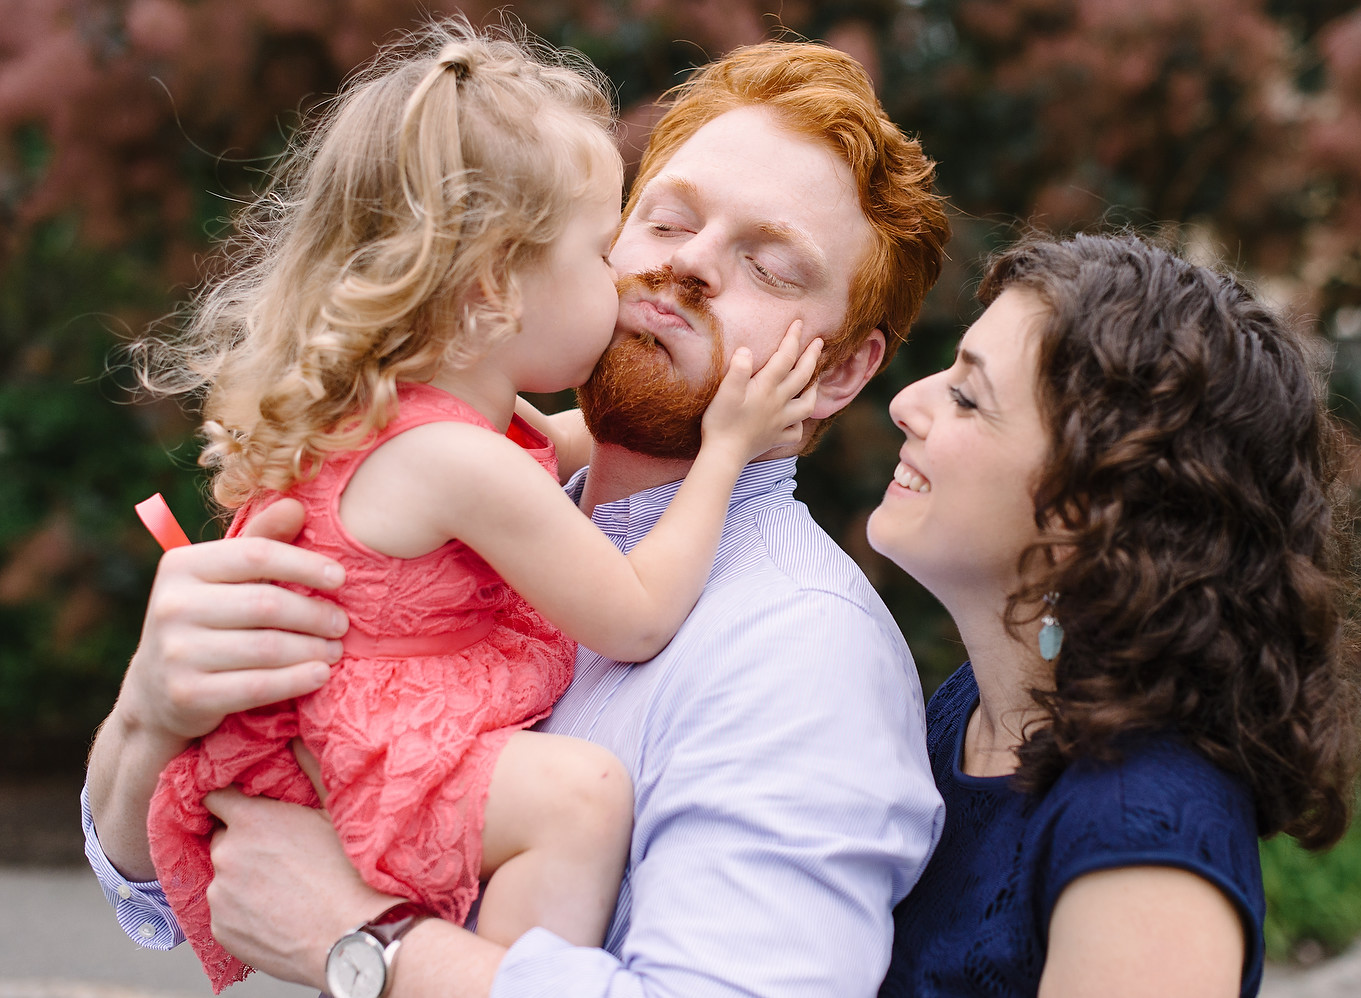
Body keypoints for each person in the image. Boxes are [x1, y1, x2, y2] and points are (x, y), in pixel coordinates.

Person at [84, 34, 952, 998]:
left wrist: (366, 946)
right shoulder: (471, 503)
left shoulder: (800, 651)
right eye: (665, 220)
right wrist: (148, 718)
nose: (692, 266)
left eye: (772, 267)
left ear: (837, 373)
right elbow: (182, 891)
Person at [871, 233, 1361, 997]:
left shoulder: (1146, 842)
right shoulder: (968, 713)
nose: (908, 403)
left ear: (1091, 509)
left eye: (968, 398)